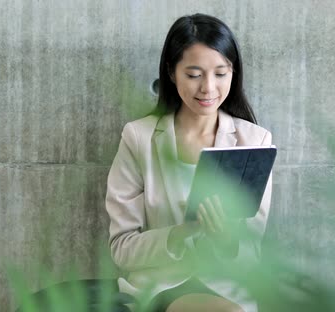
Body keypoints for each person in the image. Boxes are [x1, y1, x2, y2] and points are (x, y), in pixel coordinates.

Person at [105, 13, 272, 312]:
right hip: (159, 284)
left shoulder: (254, 141)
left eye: (221, 74)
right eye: (194, 74)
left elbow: (252, 254)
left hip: (226, 287)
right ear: (171, 72)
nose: (208, 88)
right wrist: (179, 234)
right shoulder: (139, 137)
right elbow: (122, 248)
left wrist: (225, 240)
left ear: (234, 73)